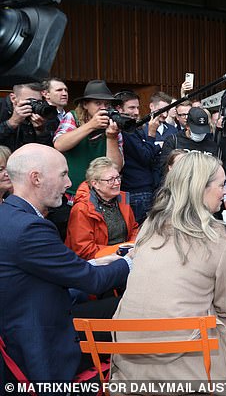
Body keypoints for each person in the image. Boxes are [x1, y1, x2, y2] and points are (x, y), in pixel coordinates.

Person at [111, 152, 226, 382]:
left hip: (130, 359)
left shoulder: (149, 225)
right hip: (190, 363)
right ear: (200, 188)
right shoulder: (221, 238)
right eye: (222, 185)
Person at [0, 144, 130, 384]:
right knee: (130, 311)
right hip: (42, 344)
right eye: (62, 174)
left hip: (43, 314)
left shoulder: (11, 215)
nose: (69, 183)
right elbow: (92, 281)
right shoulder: (29, 228)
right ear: (36, 178)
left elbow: (54, 275)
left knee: (118, 305)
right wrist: (132, 260)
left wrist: (96, 263)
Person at [53, 80, 124, 197]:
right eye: (98, 103)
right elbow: (59, 145)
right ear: (85, 104)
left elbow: (116, 167)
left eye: (107, 105)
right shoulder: (72, 117)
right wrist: (91, 125)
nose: (103, 108)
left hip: (101, 195)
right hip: (71, 193)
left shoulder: (113, 123)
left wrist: (112, 137)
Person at [65, 157, 139, 260]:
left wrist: (132, 246)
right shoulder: (82, 209)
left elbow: (134, 229)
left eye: (118, 178)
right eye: (111, 180)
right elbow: (83, 249)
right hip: (96, 264)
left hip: (125, 256)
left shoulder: (122, 199)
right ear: (95, 184)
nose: (117, 183)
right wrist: (120, 251)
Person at [116, 90, 161, 223]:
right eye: (131, 108)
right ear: (119, 109)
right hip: (136, 192)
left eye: (137, 107)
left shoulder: (133, 128)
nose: (136, 112)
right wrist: (152, 134)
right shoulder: (125, 130)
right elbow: (145, 156)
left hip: (141, 190)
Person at [0, 82, 55, 151]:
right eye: (30, 101)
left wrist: (41, 131)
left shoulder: (43, 113)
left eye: (38, 102)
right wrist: (11, 123)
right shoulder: (2, 108)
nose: (35, 105)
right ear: (13, 98)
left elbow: (48, 151)